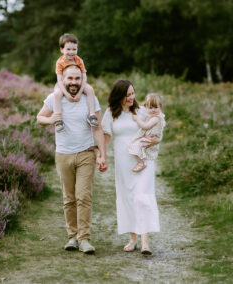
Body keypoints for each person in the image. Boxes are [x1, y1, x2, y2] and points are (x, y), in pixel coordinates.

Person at [37, 65, 107, 255]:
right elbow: (40, 117)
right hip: (63, 155)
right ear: (63, 79)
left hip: (86, 154)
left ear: (82, 79)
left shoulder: (90, 99)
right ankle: (72, 237)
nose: (74, 83)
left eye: (77, 79)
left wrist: (102, 154)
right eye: (70, 79)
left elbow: (98, 128)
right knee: (69, 199)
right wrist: (51, 119)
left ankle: (84, 239)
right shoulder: (55, 98)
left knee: (83, 197)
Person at [101, 79, 161, 255]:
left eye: (133, 94)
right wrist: (102, 155)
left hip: (143, 161)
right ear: (119, 96)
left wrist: (155, 140)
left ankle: (145, 242)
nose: (131, 98)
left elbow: (157, 126)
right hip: (123, 162)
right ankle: (133, 238)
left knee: (142, 197)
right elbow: (106, 135)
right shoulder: (111, 113)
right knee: (127, 197)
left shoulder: (141, 111)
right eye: (127, 95)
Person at [53, 33, 98, 132]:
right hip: (63, 84)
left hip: (79, 83)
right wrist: (66, 94)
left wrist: (79, 93)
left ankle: (92, 115)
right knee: (57, 94)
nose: (71, 52)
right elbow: (59, 80)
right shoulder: (60, 62)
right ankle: (58, 120)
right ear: (62, 49)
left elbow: (84, 77)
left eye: (74, 49)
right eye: (68, 49)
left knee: (90, 89)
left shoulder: (79, 60)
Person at [128, 93, 166, 172]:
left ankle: (141, 163)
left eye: (156, 107)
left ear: (160, 107)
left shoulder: (156, 118)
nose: (153, 110)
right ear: (146, 108)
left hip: (151, 139)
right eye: (150, 107)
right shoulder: (154, 117)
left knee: (135, 145)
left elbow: (145, 126)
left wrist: (137, 119)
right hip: (150, 138)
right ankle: (142, 158)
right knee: (136, 145)